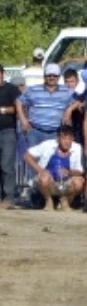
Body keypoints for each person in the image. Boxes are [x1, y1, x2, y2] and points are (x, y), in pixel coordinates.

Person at [24, 125, 85, 211]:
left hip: (65, 183)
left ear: (73, 139)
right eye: (64, 139)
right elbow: (27, 156)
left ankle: (65, 201)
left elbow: (80, 171)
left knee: (79, 182)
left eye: (69, 139)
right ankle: (48, 201)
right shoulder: (48, 145)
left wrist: (69, 172)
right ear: (58, 139)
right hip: (50, 181)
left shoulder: (77, 148)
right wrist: (41, 171)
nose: (66, 142)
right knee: (44, 178)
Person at [17, 63, 75, 148]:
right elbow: (19, 101)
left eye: (54, 75)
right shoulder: (33, 89)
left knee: (52, 161)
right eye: (49, 75)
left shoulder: (67, 91)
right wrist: (23, 119)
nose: (52, 78)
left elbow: (80, 101)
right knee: (32, 160)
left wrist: (70, 109)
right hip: (35, 132)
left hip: (56, 134)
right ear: (44, 76)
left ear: (59, 77)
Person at [0, 71, 22, 207]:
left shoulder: (11, 89)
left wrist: (2, 110)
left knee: (6, 165)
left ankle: (9, 197)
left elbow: (18, 108)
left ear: (2, 74)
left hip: (8, 131)